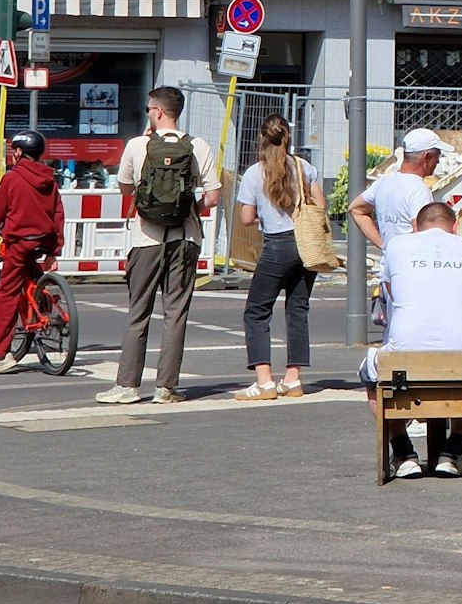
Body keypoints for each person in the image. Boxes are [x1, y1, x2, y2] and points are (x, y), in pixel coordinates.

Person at [362, 202, 462, 478]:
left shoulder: (396, 247)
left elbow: (393, 291)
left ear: (415, 228)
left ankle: (403, 454)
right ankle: (452, 452)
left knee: (371, 375)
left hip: (404, 362)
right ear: (455, 227)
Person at [96, 86, 219, 405]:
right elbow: (214, 197)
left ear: (159, 112)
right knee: (176, 313)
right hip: (185, 238)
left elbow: (125, 189)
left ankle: (127, 386)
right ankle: (166, 388)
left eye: (150, 109)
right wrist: (189, 208)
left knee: (138, 312)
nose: (148, 113)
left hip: (145, 238)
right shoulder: (198, 145)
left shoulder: (137, 145)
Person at [232, 115, 328, 401]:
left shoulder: (254, 173)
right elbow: (321, 205)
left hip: (277, 246)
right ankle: (293, 379)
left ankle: (264, 382)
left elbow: (247, 218)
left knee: (257, 311)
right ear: (288, 137)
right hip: (305, 244)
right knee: (298, 308)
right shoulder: (304, 167)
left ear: (261, 139)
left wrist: (267, 213)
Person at [0, 130, 65, 376]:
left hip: (20, 242)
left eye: (14, 150)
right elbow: (57, 215)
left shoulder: (12, 179)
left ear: (19, 153)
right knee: (31, 278)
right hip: (43, 240)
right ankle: (45, 310)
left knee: (7, 294)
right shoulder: (50, 180)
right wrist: (55, 250)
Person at [347, 128, 446, 253]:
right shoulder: (418, 190)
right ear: (427, 157)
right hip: (409, 266)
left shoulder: (383, 182)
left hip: (388, 266)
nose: (437, 161)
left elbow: (356, 209)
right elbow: (422, 235)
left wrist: (384, 245)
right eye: (438, 156)